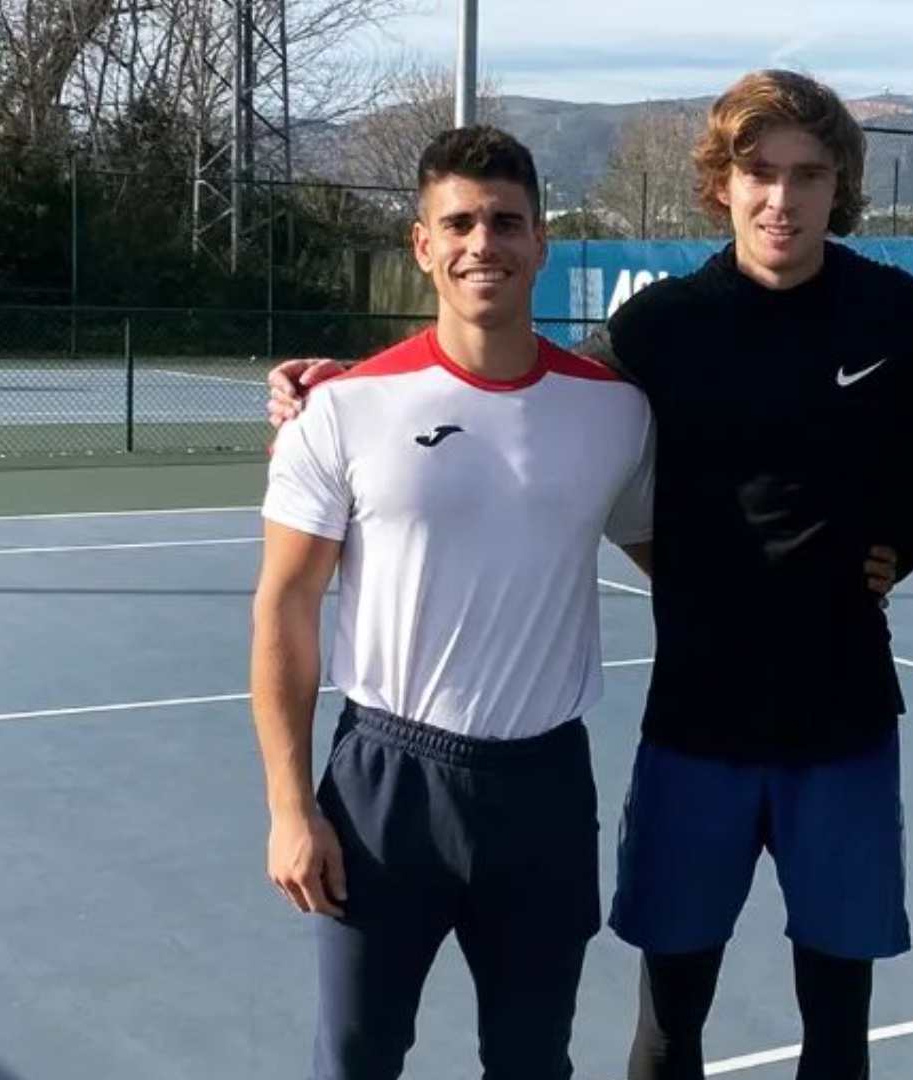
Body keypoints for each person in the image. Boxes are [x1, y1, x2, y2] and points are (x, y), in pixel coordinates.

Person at [266, 71, 913, 1080]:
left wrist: (907, 537)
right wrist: (332, 386)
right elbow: (508, 382)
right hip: (694, 733)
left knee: (835, 1023)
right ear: (721, 183)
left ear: (837, 185)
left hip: (845, 724)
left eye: (808, 175)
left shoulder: (895, 315)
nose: (783, 197)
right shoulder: (660, 329)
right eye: (760, 171)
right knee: (667, 1019)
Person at [249, 124, 656, 1080]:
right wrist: (288, 808)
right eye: (460, 222)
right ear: (423, 245)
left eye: (507, 222)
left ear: (541, 241)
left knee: (531, 1061)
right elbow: (285, 610)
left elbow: (681, 561)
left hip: (547, 791)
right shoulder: (343, 408)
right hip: (386, 787)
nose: (485, 243)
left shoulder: (615, 411)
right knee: (356, 1057)